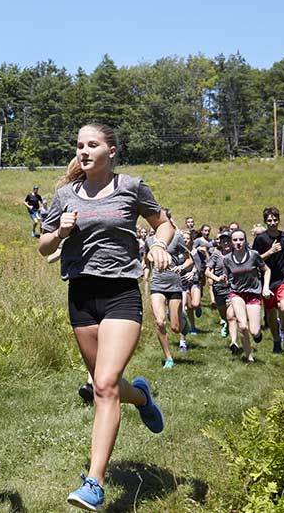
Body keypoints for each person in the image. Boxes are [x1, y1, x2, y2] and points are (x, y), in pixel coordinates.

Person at [39, 124, 170, 511]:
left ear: (111, 150)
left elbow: (162, 222)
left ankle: (94, 482)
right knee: (104, 385)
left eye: (92, 144)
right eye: (79, 144)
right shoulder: (64, 195)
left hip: (121, 294)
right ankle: (142, 396)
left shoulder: (132, 187)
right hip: (80, 296)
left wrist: (159, 244)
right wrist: (60, 233)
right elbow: (42, 244)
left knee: (105, 383)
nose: (84, 150)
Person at [145, 211, 192, 367]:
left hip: (174, 284)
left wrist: (181, 267)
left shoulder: (176, 238)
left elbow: (189, 260)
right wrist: (145, 275)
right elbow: (146, 260)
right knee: (159, 322)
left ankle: (182, 320)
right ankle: (169, 358)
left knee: (176, 328)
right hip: (157, 284)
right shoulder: (149, 240)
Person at [252, 206, 284, 355]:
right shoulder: (260, 238)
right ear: (265, 221)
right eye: (269, 220)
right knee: (271, 313)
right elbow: (255, 259)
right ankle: (276, 340)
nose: (272, 223)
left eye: (275, 220)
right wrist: (270, 252)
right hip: (267, 280)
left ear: (279, 220)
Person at [223, 229, 272, 363]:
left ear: (245, 241)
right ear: (231, 242)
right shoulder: (227, 259)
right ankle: (249, 356)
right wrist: (223, 279)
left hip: (253, 294)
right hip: (237, 293)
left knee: (254, 331)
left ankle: (258, 334)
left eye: (241, 239)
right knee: (242, 326)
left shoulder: (253, 255)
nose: (238, 242)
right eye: (235, 240)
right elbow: (227, 275)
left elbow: (266, 270)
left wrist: (266, 287)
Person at [205, 231, 239, 352]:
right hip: (218, 289)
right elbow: (207, 272)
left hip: (232, 288)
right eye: (223, 240)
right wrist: (217, 279)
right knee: (224, 315)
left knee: (231, 316)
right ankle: (225, 323)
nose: (226, 242)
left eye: (228, 239)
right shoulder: (216, 254)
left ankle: (234, 342)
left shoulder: (237, 254)